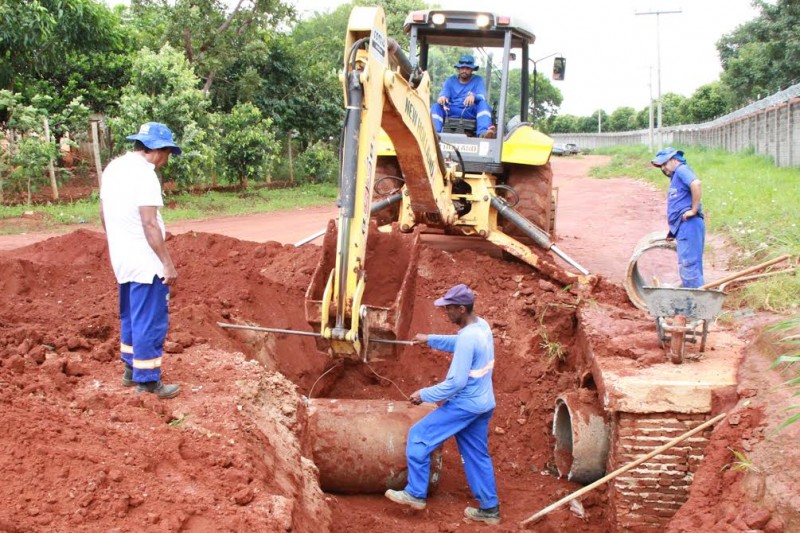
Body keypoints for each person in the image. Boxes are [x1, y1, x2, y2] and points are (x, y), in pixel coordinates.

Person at [384, 284, 500, 525]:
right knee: (476, 455)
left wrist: (424, 394)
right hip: (483, 403)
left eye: (449, 309)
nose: (446, 313)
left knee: (418, 436)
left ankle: (415, 493)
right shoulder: (481, 326)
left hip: (465, 405)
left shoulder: (468, 337)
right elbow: (459, 343)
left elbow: (456, 382)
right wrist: (430, 340)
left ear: (461, 308)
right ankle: (490, 510)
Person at [100, 122, 182, 399]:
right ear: (158, 150)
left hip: (122, 258)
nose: (166, 160)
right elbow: (149, 223)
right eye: (168, 153)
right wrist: (167, 263)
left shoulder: (114, 168)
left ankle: (130, 370)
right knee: (150, 319)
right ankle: (147, 381)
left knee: (131, 316)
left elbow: (103, 214)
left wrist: (120, 240)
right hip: (145, 262)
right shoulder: (146, 175)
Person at [651, 147, 705, 288]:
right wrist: (673, 231)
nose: (663, 169)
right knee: (689, 265)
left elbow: (696, 183)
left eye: (664, 164)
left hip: (690, 225)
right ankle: (696, 299)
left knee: (689, 266)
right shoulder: (676, 176)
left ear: (674, 160)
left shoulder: (681, 170)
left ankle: (695, 303)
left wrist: (693, 210)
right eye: (660, 166)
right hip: (685, 226)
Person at [430, 55, 496, 138]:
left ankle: (483, 133)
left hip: (469, 111)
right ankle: (434, 133)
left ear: (472, 69)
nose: (464, 70)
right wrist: (442, 97)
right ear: (458, 69)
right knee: (436, 106)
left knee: (483, 104)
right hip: (452, 110)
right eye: (462, 68)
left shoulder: (478, 80)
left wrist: (474, 97)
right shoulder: (450, 80)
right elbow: (444, 93)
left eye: (467, 68)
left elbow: (482, 96)